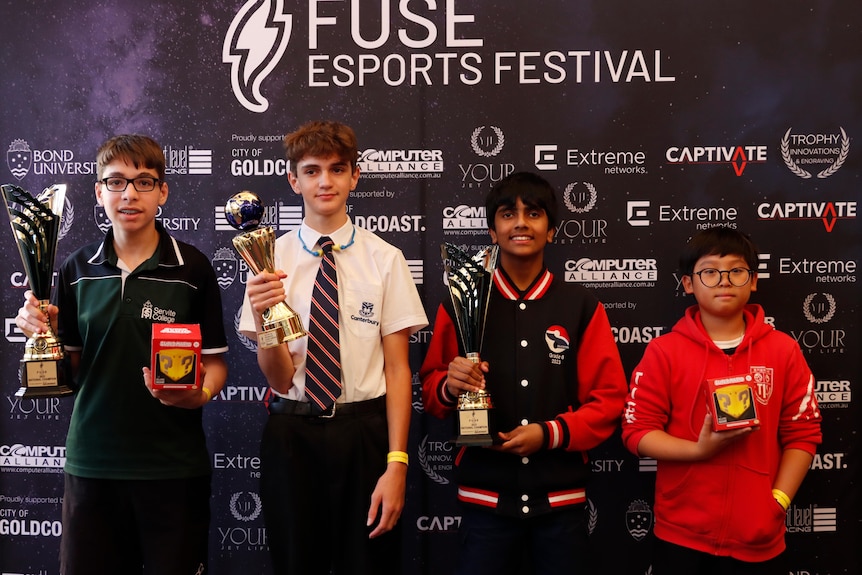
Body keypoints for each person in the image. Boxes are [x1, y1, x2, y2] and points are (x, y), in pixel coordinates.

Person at [15, 134, 229, 575]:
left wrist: (199, 395)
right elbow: (70, 370)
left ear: (163, 192)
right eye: (115, 182)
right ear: (99, 192)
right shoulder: (75, 268)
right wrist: (42, 337)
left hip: (173, 468)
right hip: (93, 466)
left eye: (144, 181)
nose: (129, 193)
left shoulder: (193, 267)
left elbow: (215, 363)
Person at [238, 120, 428, 575]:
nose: (325, 181)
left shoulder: (385, 259)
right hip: (291, 434)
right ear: (293, 179)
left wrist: (397, 462)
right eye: (312, 170)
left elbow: (399, 370)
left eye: (337, 169)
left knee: (369, 564)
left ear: (354, 176)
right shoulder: (269, 258)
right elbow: (279, 378)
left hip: (364, 434)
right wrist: (266, 316)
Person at [419, 171, 628, 575]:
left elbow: (608, 401)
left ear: (551, 230)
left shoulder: (582, 307)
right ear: (492, 231)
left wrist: (549, 434)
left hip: (560, 502)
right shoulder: (462, 302)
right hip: (485, 500)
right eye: (507, 214)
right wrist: (449, 385)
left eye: (533, 213)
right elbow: (430, 391)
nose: (520, 222)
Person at [621, 226, 822, 575]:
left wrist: (778, 502)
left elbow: (803, 434)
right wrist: (698, 451)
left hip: (759, 536)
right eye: (710, 271)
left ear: (753, 280)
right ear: (688, 284)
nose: (724, 280)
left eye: (736, 270)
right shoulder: (663, 352)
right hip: (681, 535)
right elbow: (637, 433)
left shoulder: (783, 350)